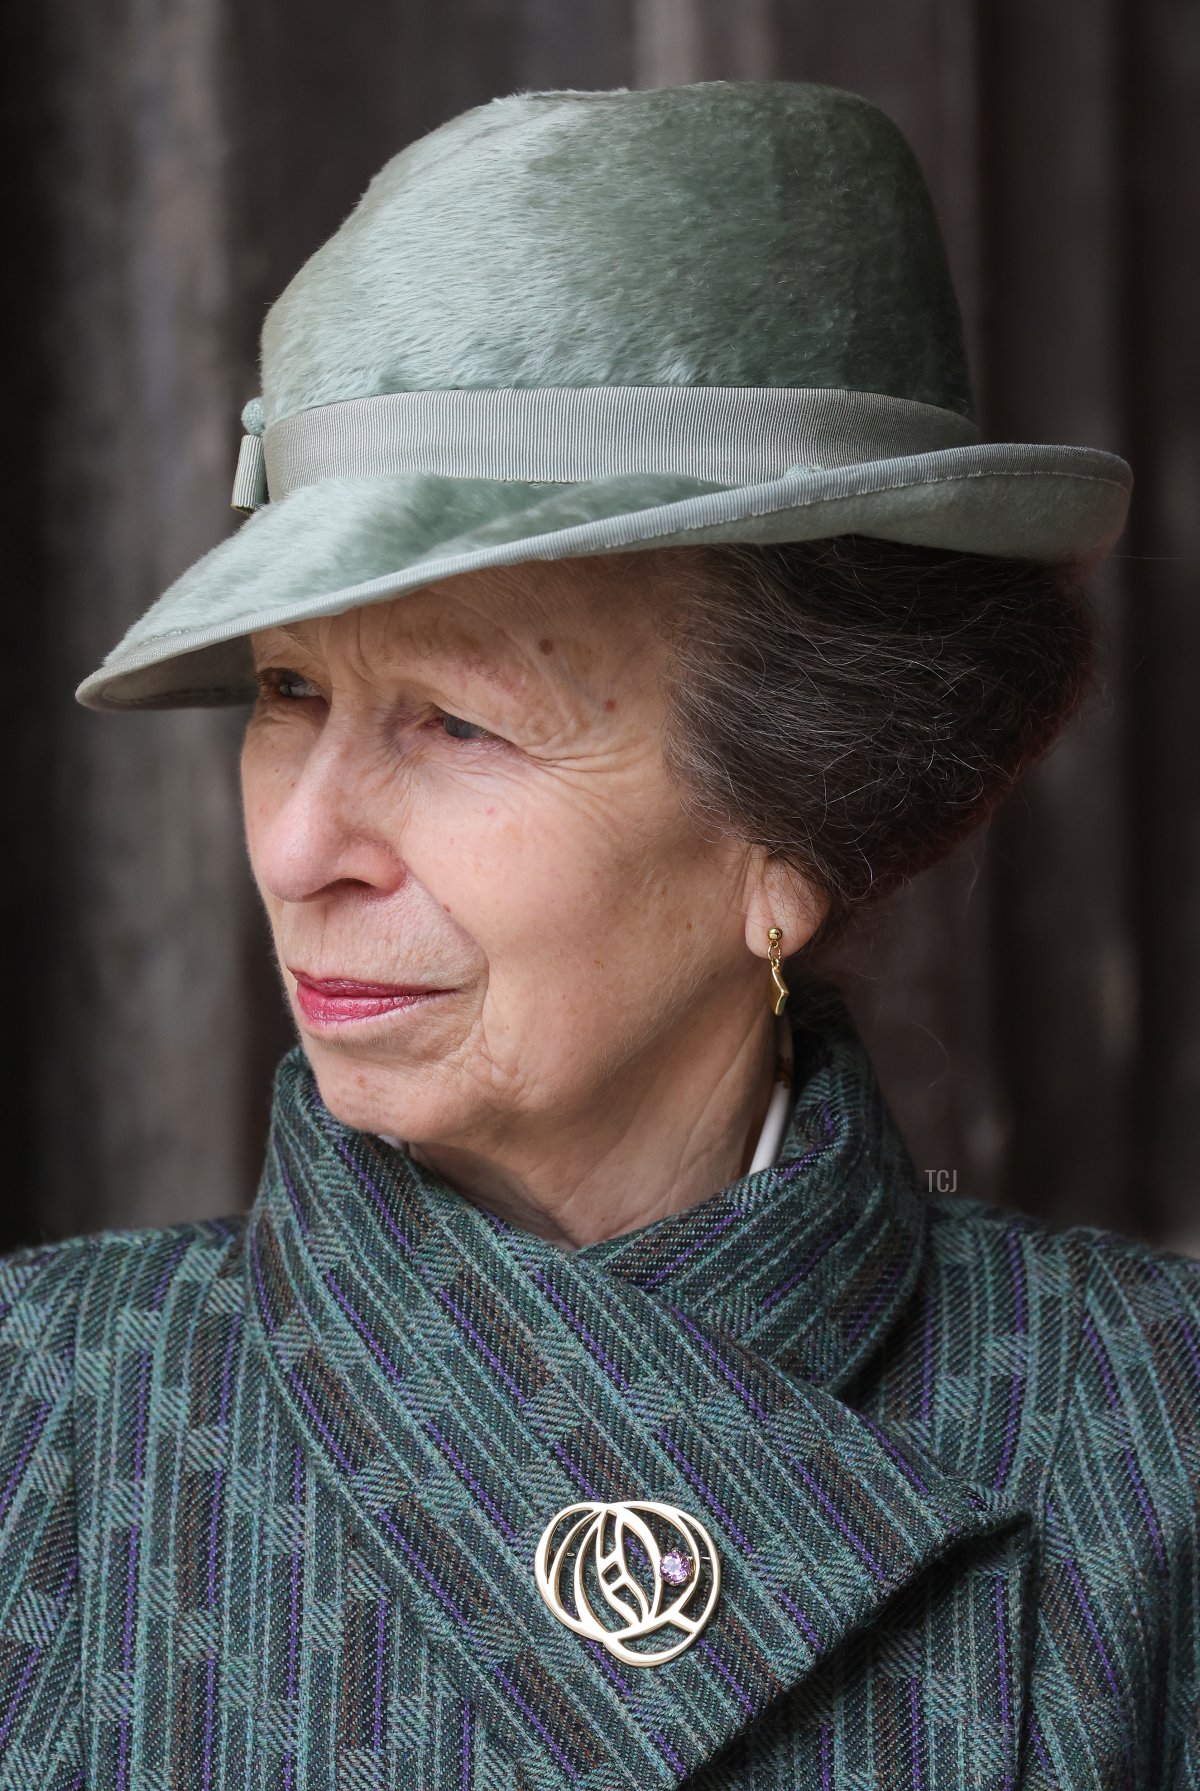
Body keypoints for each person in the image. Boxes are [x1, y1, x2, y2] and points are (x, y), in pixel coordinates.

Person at [1, 77, 1195, 1791]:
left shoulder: (1151, 1443)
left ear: (801, 820)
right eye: (287, 692)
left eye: (454, 725)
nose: (297, 841)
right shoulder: (40, 1419)